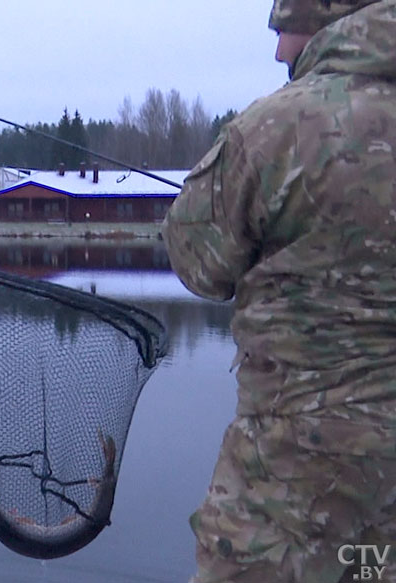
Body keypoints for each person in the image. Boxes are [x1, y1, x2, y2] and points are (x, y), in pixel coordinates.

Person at [162, 1, 396, 581]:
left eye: (283, 30)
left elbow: (198, 265)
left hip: (290, 489)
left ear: (325, 22)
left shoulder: (275, 127)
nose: (277, 51)